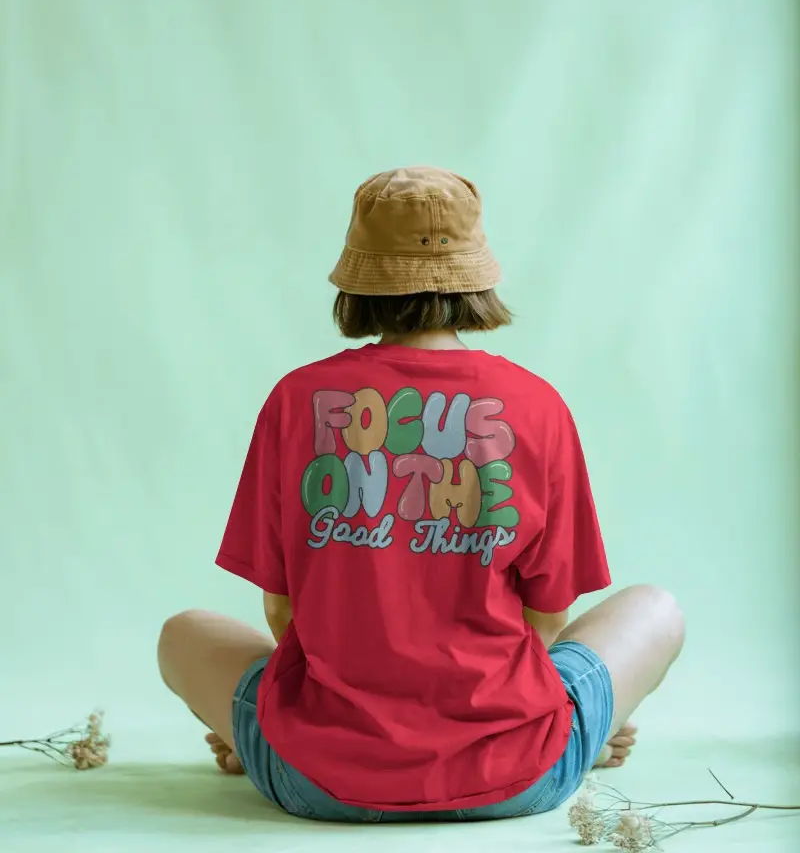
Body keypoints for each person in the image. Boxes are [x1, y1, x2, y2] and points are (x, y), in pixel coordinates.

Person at [158, 166, 684, 822]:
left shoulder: (296, 401)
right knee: (655, 609)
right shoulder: (537, 406)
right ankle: (583, 734)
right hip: (519, 774)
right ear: (477, 277)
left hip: (314, 781)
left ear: (357, 278)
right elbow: (548, 617)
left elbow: (283, 613)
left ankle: (260, 738)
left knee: (181, 636)